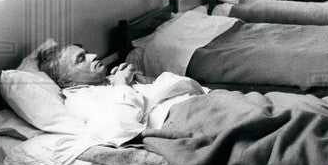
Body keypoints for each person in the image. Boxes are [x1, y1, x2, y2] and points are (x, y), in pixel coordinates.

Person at [36, 42, 205, 143]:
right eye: (81, 59)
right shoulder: (79, 100)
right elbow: (119, 127)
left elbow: (176, 87)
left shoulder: (108, 83)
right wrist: (121, 84)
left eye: (86, 53)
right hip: (186, 119)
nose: (94, 56)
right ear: (67, 81)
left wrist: (140, 79)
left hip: (201, 103)